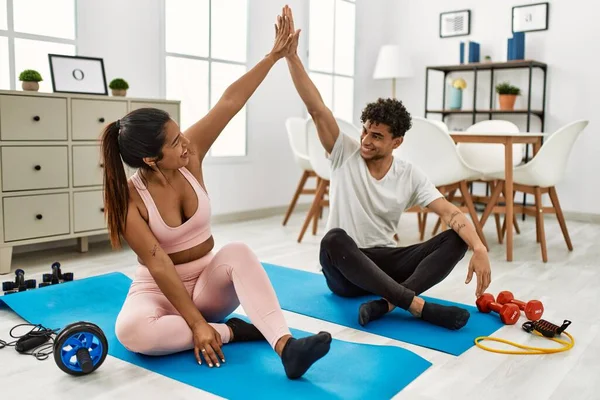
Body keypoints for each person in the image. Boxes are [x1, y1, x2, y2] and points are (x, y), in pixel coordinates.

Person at [101, 9, 331, 380]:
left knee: (237, 251)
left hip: (210, 285)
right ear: (150, 158)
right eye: (175, 143)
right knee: (131, 332)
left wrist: (273, 57)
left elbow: (229, 103)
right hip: (159, 291)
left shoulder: (190, 156)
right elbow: (159, 265)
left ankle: (287, 346)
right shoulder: (129, 198)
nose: (185, 146)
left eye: (180, 135)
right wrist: (198, 325)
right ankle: (235, 331)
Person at [280, 5, 491, 330]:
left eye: (377, 136)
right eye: (365, 130)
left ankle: (388, 303)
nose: (365, 139)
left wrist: (478, 247)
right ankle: (416, 305)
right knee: (334, 238)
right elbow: (317, 108)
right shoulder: (344, 153)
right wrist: (292, 58)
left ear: (397, 142)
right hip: (344, 270)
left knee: (455, 238)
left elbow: (450, 212)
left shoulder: (408, 174)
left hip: (386, 264)